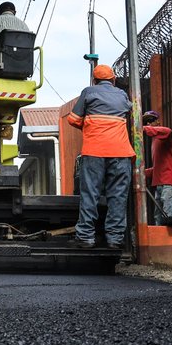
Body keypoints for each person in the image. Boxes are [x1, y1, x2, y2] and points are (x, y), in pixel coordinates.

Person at [67, 64, 134, 248]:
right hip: (121, 152)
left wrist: (88, 124)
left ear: (94, 80)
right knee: (118, 196)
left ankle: (86, 237)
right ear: (113, 80)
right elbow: (128, 110)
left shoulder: (89, 92)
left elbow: (72, 119)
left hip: (94, 151)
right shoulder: (122, 94)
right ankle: (114, 239)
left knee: (90, 194)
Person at [142, 111, 172, 225]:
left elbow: (168, 131)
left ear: (158, 121)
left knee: (169, 217)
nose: (149, 123)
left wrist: (143, 128)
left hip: (169, 182)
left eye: (151, 120)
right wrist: (142, 173)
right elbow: (158, 167)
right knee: (158, 219)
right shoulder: (154, 142)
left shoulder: (165, 135)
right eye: (146, 122)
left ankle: (171, 243)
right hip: (159, 183)